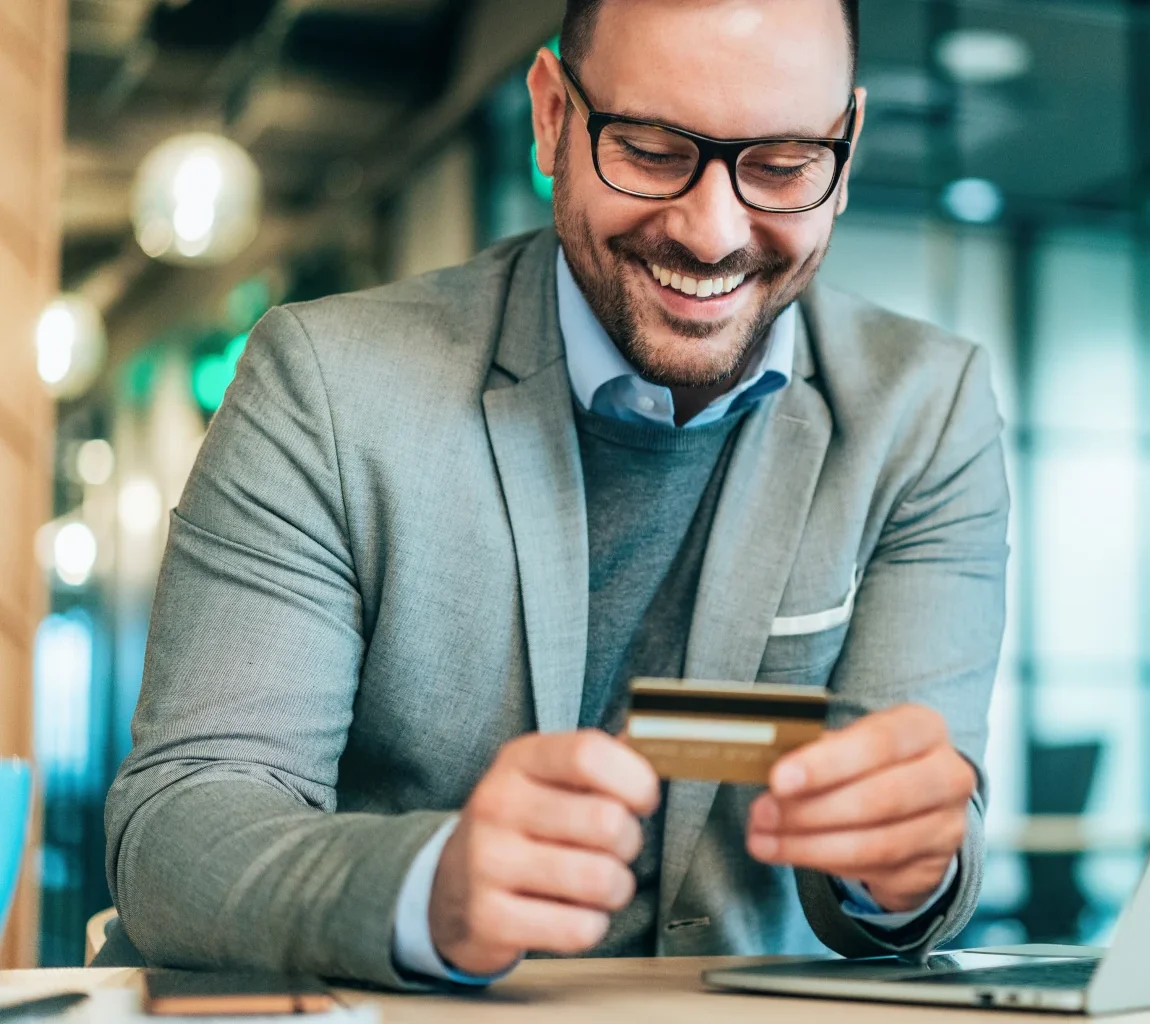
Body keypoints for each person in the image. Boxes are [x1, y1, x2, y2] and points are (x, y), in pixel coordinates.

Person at [104, 0, 1009, 988]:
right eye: (653, 149)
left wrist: (904, 866)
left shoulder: (926, 410)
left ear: (846, 146)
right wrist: (427, 886)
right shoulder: (325, 385)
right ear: (549, 116)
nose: (712, 234)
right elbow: (178, 828)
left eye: (784, 165)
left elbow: (912, 862)